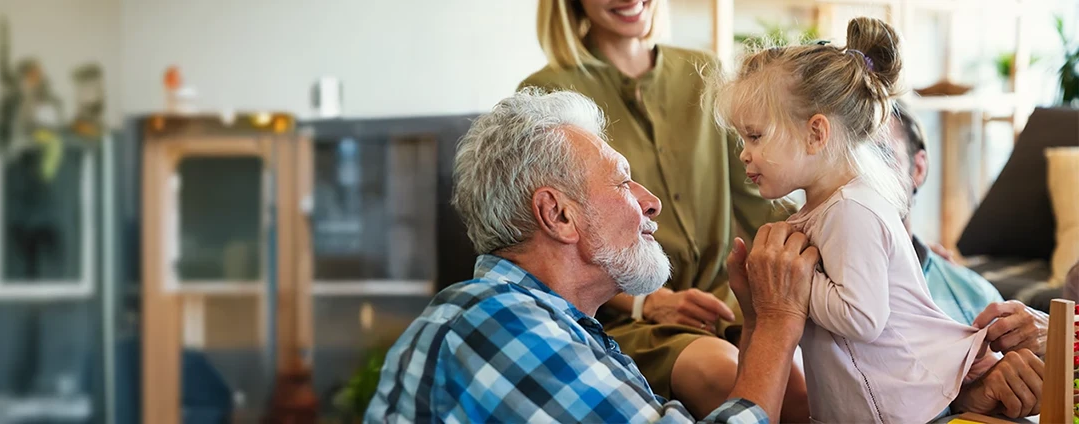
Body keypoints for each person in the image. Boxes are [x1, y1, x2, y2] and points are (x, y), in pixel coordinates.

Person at [366, 88, 815, 422]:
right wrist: (778, 323)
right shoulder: (495, 322)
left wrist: (756, 321)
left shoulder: (549, 325)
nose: (651, 201)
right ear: (558, 215)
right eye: (622, 182)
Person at [713, 17, 1014, 422]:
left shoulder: (851, 209)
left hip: (900, 412)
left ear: (815, 134)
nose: (744, 154)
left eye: (755, 136)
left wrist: (791, 282)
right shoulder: (823, 210)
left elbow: (861, 317)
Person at [518, 1, 803, 419]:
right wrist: (646, 303)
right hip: (631, 320)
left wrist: (893, 243)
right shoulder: (547, 94)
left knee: (808, 387)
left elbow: (762, 199)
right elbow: (545, 244)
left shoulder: (704, 72)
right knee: (727, 376)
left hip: (727, 302)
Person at [887, 102, 1051, 357]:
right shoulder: (810, 284)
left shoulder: (976, 295)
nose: (863, 179)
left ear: (918, 169)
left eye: (883, 157)